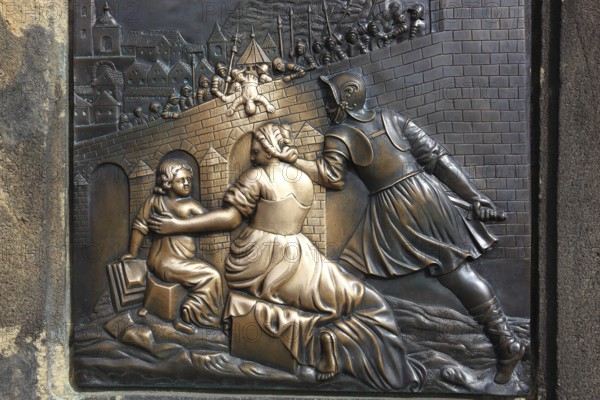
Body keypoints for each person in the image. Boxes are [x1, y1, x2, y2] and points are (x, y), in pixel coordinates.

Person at [148, 123, 425, 391]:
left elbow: (231, 219)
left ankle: (331, 339)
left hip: (258, 261)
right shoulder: (303, 179)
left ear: (269, 148)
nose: (252, 149)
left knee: (354, 300)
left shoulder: (256, 177)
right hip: (301, 255)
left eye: (257, 143)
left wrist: (177, 225)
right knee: (367, 301)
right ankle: (340, 341)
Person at [293, 71, 527, 385]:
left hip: (395, 207)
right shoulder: (393, 119)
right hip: (429, 196)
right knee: (457, 272)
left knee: (346, 274)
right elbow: (438, 159)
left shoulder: (340, 135)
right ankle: (506, 343)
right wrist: (473, 196)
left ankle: (332, 353)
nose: (325, 104)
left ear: (345, 99)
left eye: (330, 97)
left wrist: (292, 158)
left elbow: (332, 178)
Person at [121, 159, 224, 332]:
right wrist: (131, 253)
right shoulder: (184, 205)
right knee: (211, 276)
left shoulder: (156, 201)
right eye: (181, 180)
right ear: (167, 182)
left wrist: (132, 253)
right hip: (170, 263)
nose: (186, 183)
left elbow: (140, 225)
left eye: (188, 180)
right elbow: (140, 226)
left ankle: (181, 312)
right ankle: (190, 315)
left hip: (160, 262)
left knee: (205, 274)